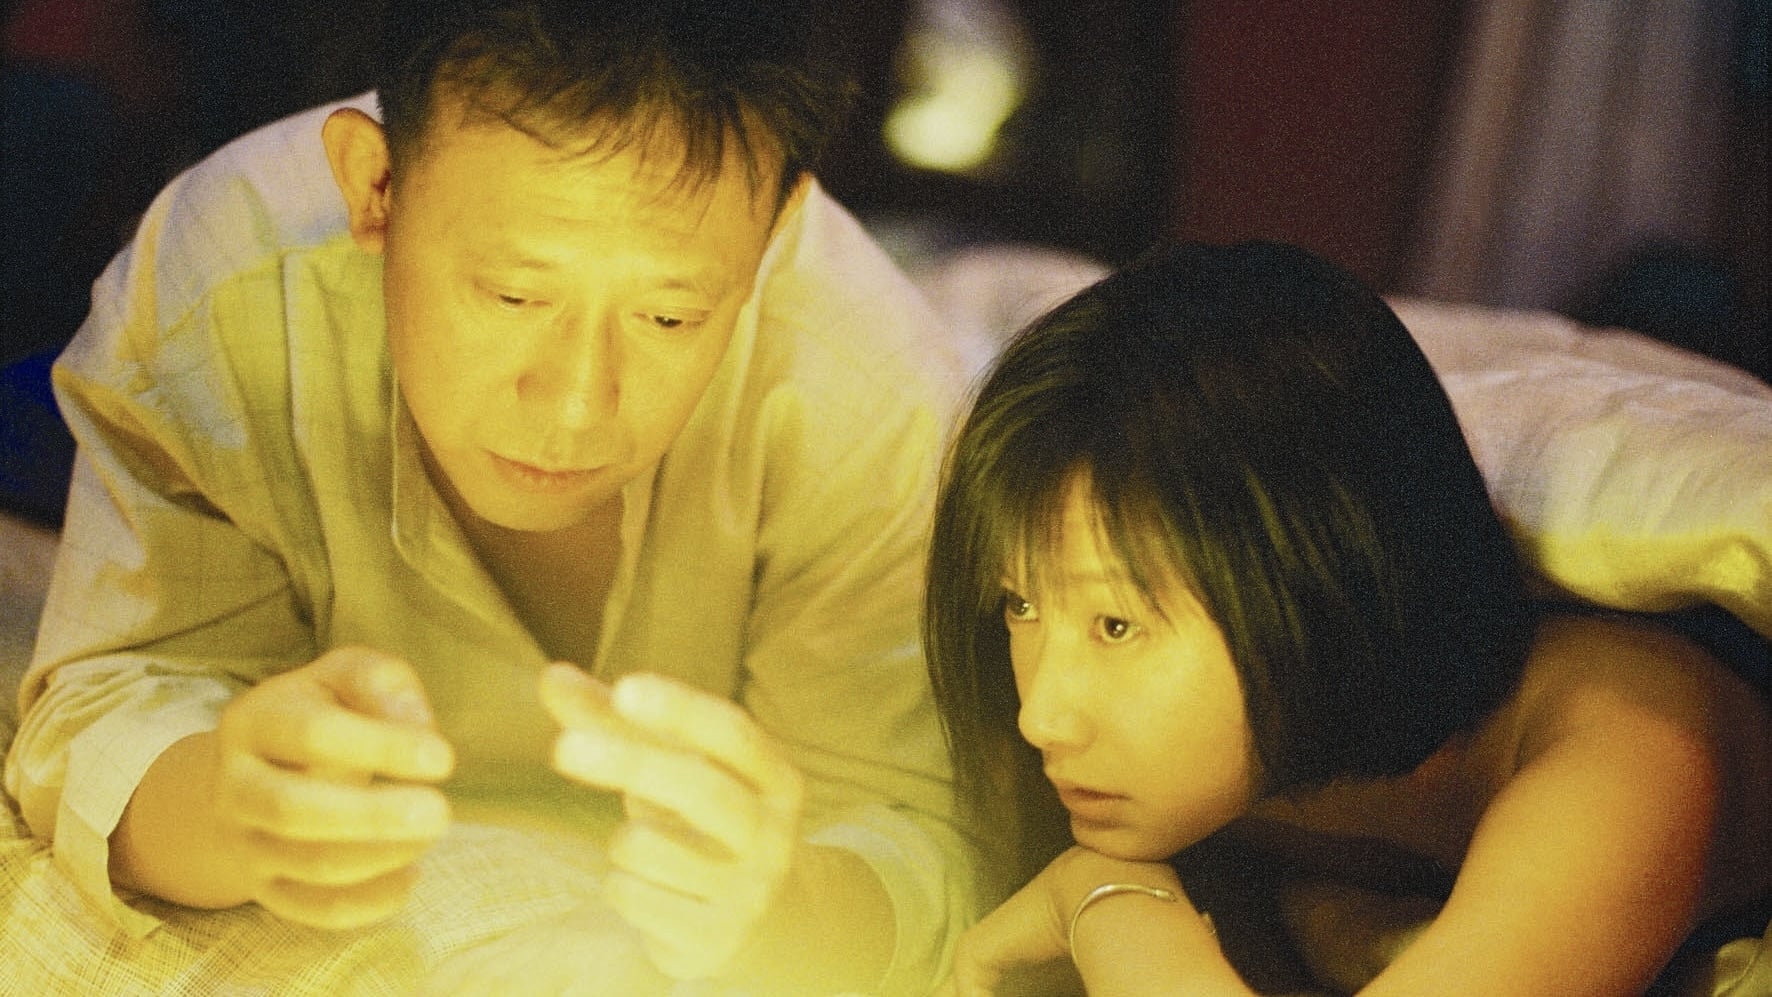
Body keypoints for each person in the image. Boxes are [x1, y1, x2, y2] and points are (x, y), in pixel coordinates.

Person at [3, 1, 974, 993]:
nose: (577, 401)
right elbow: (114, 698)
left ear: (775, 229)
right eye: (514, 295)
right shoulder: (232, 286)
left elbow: (914, 820)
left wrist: (787, 903)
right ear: (375, 185)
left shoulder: (869, 388)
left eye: (668, 317)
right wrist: (233, 809)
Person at [923, 241, 1772, 995]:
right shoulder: (1229, 767)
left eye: (1115, 625)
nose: (1041, 714)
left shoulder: (1632, 748)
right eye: (1020, 603)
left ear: (1304, 577)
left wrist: (1103, 897)